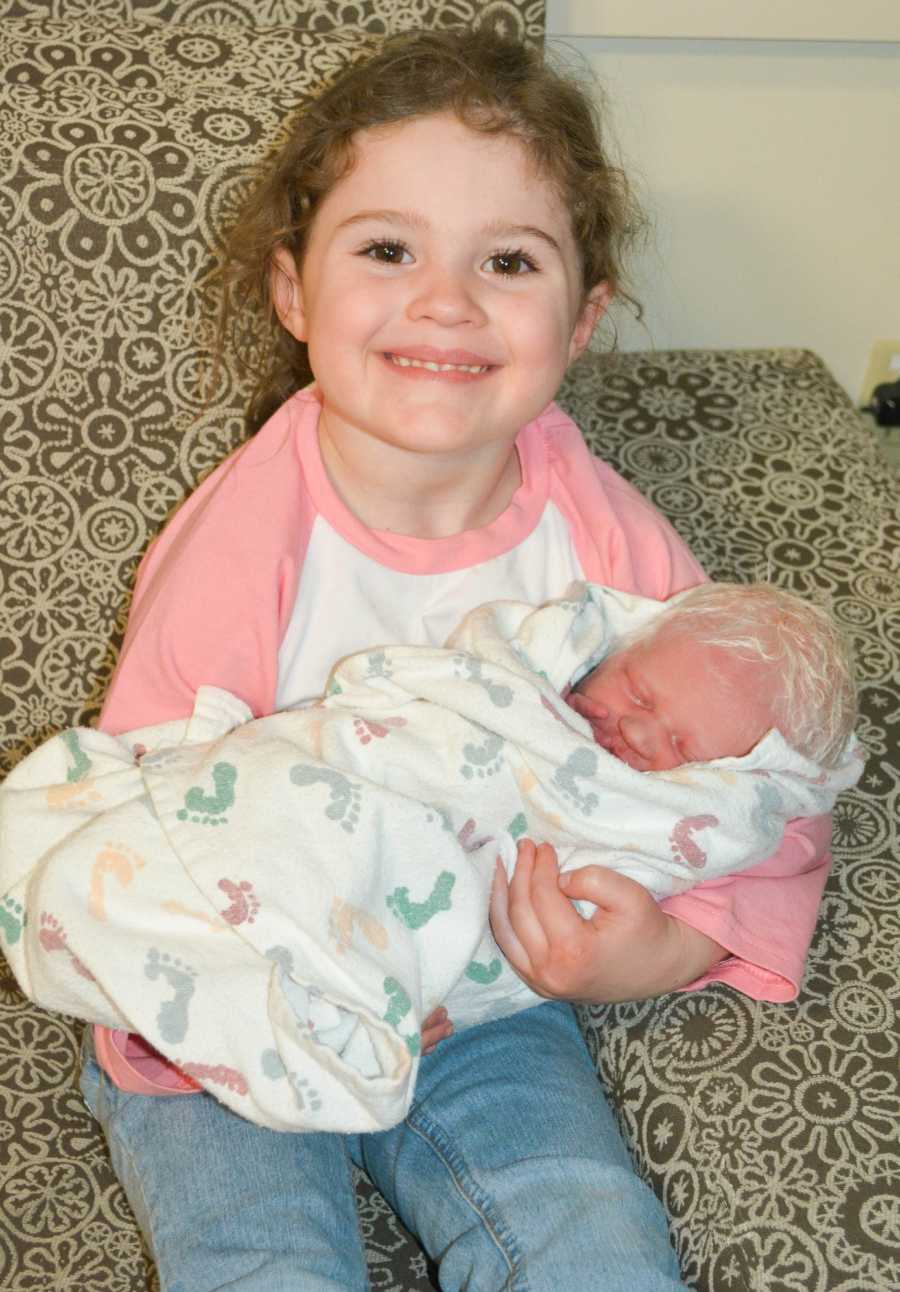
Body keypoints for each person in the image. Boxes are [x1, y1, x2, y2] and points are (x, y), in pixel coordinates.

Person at [49, 27, 839, 1291]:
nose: (445, 300)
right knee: (262, 1262)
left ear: (581, 319)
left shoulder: (608, 542)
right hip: (226, 979)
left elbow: (772, 781)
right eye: (386, 248)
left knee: (590, 1230)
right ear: (294, 289)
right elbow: (148, 807)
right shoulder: (249, 533)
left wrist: (657, 948)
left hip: (481, 996)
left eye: (508, 261)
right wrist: (201, 985)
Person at [0, 581, 859, 1134]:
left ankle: (301, 1006)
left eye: (677, 745)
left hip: (435, 995)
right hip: (297, 810)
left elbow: (778, 846)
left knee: (579, 1223)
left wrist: (651, 959)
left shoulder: (632, 546)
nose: (631, 730)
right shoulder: (527, 668)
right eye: (633, 692)